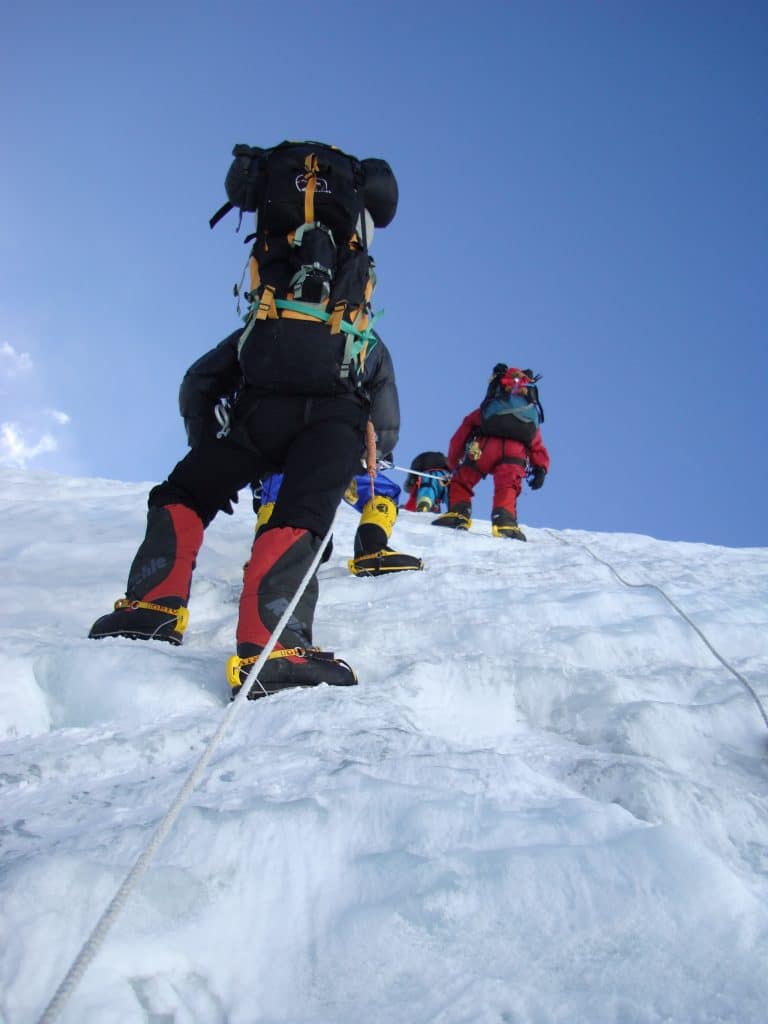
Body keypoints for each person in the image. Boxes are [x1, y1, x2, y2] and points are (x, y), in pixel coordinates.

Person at [89, 139, 401, 699]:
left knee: (184, 491)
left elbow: (198, 384)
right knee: (302, 513)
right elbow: (384, 404)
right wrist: (374, 453)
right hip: (333, 417)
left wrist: (210, 443)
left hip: (259, 409)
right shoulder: (363, 338)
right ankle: (272, 647)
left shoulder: (264, 316)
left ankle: (152, 605)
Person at [432, 366, 549, 540]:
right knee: (508, 486)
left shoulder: (491, 406)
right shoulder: (528, 412)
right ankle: (505, 522)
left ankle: (458, 514)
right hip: (515, 453)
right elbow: (536, 443)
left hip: (484, 447)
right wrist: (541, 468)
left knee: (463, 480)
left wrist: (453, 461)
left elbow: (464, 429)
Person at [253, 464, 424, 577]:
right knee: (380, 492)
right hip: (334, 442)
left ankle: (266, 559)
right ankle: (371, 548)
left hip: (292, 449)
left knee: (279, 494)